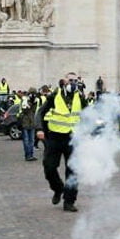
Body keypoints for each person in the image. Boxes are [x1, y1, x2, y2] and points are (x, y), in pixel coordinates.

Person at [34, 73, 88, 212]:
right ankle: (58, 189)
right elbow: (40, 112)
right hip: (54, 137)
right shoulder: (54, 96)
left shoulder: (80, 97)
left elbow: (88, 114)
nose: (73, 83)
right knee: (49, 167)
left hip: (73, 139)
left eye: (76, 80)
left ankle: (69, 201)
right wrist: (40, 129)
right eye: (70, 80)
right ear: (63, 81)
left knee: (73, 171)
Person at [18, 87, 39, 161]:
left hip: (32, 122)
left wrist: (34, 102)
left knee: (32, 140)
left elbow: (34, 110)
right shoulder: (24, 99)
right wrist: (29, 102)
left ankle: (31, 154)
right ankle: (28, 155)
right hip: (25, 122)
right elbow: (25, 110)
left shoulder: (36, 100)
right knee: (26, 140)